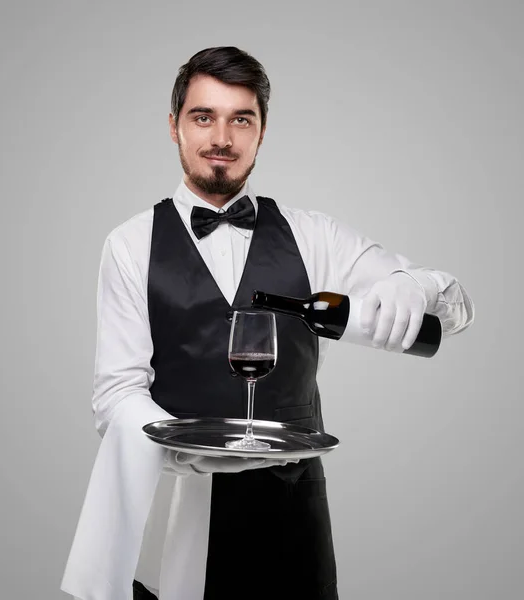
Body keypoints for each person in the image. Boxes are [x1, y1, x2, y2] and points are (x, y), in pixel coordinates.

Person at [61, 46, 474, 600]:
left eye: (242, 119)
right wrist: (184, 445)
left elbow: (454, 309)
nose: (222, 138)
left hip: (294, 510)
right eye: (203, 116)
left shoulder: (316, 236)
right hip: (180, 508)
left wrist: (417, 286)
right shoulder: (130, 245)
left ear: (261, 131)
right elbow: (115, 394)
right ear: (174, 126)